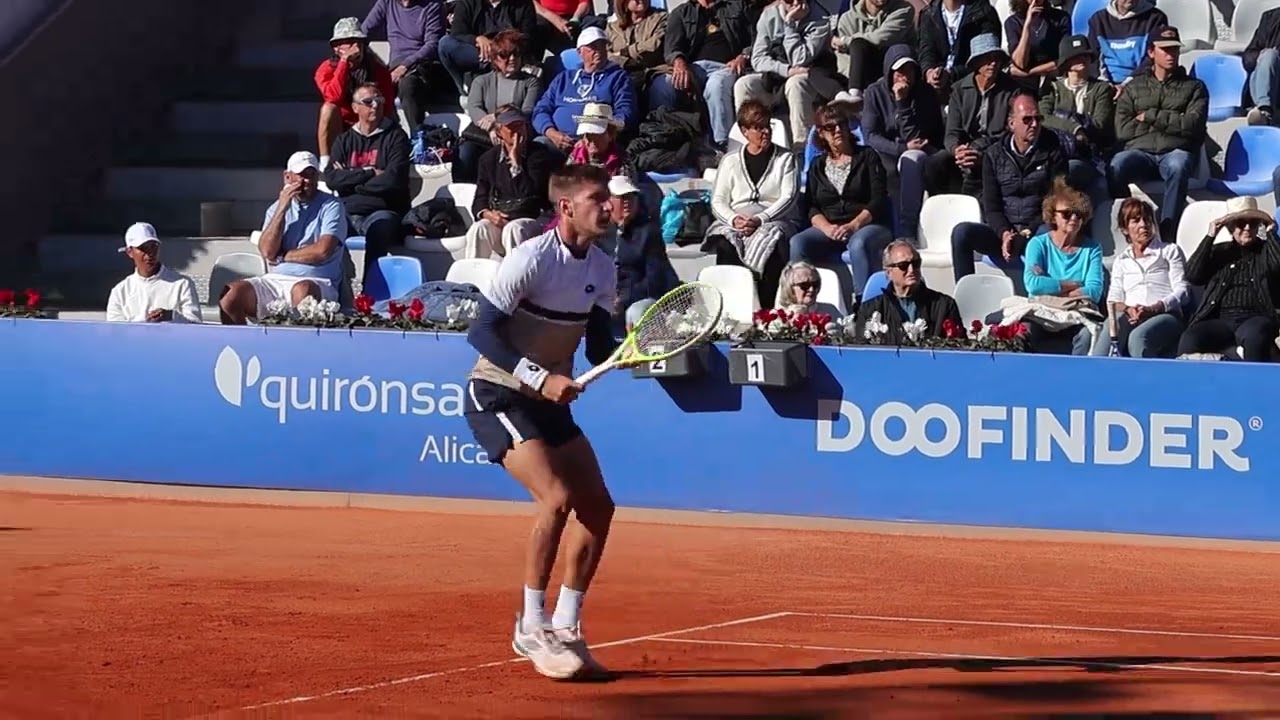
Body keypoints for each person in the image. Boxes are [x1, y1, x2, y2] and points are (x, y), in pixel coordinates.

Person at [463, 164, 621, 681]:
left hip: (549, 402)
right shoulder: (530, 258)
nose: (609, 206)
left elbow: (598, 344)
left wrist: (632, 353)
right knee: (556, 499)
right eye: (597, 198)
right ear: (566, 207)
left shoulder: (603, 267)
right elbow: (481, 333)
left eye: (609, 197)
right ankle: (531, 625)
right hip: (497, 394)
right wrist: (540, 377)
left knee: (597, 506)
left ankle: (566, 626)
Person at [950, 91, 1067, 282]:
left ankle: (1046, 290)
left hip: (1036, 230)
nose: (1034, 124)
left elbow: (1055, 203)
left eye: (1037, 118)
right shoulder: (993, 155)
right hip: (1004, 232)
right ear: (1011, 123)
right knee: (962, 233)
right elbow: (992, 207)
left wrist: (1026, 232)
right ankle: (966, 293)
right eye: (1027, 119)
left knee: (1049, 234)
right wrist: (1004, 233)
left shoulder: (1054, 153)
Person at [221, 152, 348, 324]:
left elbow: (322, 251)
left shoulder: (331, 205)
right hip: (276, 279)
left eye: (311, 175)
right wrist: (282, 207)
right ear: (288, 177)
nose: (306, 181)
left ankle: (297, 341)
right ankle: (240, 340)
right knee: (231, 295)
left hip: (318, 281)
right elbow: (267, 251)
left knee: (303, 291)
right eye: (301, 175)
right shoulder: (275, 208)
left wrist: (283, 256)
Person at [789, 103, 893, 305]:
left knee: (858, 244)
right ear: (821, 133)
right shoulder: (817, 165)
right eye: (830, 127)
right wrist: (827, 228)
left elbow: (878, 199)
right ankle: (801, 304)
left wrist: (853, 225)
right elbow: (811, 206)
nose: (838, 130)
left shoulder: (867, 156)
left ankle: (864, 306)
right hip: (831, 226)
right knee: (798, 243)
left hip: (867, 224)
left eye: (842, 125)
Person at [1109, 26, 1208, 239]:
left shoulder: (1195, 87)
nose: (1171, 54)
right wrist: (1173, 122)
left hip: (1175, 151)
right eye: (1165, 49)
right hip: (1140, 153)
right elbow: (1123, 129)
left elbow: (1192, 125)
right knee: (1117, 165)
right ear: (1151, 52)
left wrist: (1150, 116)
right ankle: (1128, 224)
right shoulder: (1134, 87)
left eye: (1175, 49)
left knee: (1179, 165)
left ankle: (1168, 233)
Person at [704, 100, 800, 308]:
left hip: (774, 219)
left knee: (772, 242)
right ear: (745, 131)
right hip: (737, 220)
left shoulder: (786, 158)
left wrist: (760, 219)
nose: (765, 132)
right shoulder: (730, 161)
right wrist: (734, 219)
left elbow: (788, 197)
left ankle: (767, 310)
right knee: (726, 243)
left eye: (767, 126)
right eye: (758, 127)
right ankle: (730, 308)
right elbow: (718, 200)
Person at [323, 82, 412, 285]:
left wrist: (351, 182)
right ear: (355, 107)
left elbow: (393, 180)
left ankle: (370, 289)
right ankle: (336, 285)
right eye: (368, 101)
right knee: (325, 229)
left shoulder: (396, 137)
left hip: (383, 210)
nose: (375, 105)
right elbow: (331, 179)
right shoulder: (344, 140)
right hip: (348, 212)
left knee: (379, 229)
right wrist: (370, 172)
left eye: (379, 100)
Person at [1177, 196, 1280, 362]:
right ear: (1231, 227)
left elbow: (1278, 267)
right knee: (1190, 338)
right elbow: (1192, 275)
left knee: (1256, 337)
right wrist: (1210, 237)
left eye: (1253, 223)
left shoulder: (1265, 251)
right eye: (1241, 223)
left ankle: (1253, 379)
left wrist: (1271, 233)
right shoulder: (1219, 252)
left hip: (1256, 316)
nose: (1247, 228)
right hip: (1221, 319)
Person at [647, 0, 755, 153]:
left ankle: (723, 147)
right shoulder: (681, 12)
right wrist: (679, 62)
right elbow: (671, 48)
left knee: (716, 86)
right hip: (692, 67)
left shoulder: (737, 6)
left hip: (726, 66)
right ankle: (662, 141)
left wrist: (743, 56)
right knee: (662, 85)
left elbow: (754, 38)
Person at [861, 44, 944, 239]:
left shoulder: (926, 93)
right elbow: (871, 135)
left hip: (920, 150)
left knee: (911, 159)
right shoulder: (874, 92)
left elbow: (915, 137)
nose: (905, 77)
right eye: (899, 72)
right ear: (890, 72)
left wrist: (903, 103)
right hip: (887, 150)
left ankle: (908, 229)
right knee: (888, 168)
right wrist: (900, 148)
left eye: (909, 71)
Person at [734, 0, 842, 147]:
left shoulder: (820, 19)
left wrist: (790, 23)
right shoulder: (769, 16)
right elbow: (758, 59)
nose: (795, 3)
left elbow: (799, 59)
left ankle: (802, 147)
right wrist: (787, 70)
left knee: (795, 83)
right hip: (777, 77)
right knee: (744, 84)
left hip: (810, 78)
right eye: (789, 0)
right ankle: (749, 144)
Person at [1020, 178, 1106, 355]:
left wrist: (1050, 288)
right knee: (1023, 331)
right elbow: (1033, 284)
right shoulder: (1038, 244)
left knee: (1087, 334)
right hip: (1042, 312)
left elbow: (1095, 291)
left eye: (1078, 214)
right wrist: (1074, 284)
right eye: (1067, 214)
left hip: (1076, 313)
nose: (1074, 218)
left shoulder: (1092, 249)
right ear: (1053, 216)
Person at [928, 33, 1019, 197]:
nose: (993, 63)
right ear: (976, 63)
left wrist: (979, 149)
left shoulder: (1012, 90)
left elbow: (1010, 132)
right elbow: (952, 133)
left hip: (996, 148)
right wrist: (957, 150)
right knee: (936, 162)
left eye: (996, 58)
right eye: (987, 58)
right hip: (965, 148)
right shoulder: (959, 90)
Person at [468, 107, 557, 258]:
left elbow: (530, 195)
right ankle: (472, 271)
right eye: (511, 127)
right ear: (499, 133)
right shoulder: (488, 159)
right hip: (502, 217)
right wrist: (488, 214)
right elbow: (480, 198)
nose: (517, 131)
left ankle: (516, 271)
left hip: (532, 217)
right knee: (479, 228)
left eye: (520, 125)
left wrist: (516, 163)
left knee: (514, 229)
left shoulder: (539, 155)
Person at [533, 27, 636, 157]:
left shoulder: (618, 77)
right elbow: (540, 110)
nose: (598, 50)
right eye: (592, 47)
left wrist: (593, 137)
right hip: (558, 142)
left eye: (602, 45)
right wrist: (552, 133)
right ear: (579, 52)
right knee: (537, 148)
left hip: (596, 144)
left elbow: (625, 113)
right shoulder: (564, 78)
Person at [1105, 197, 1188, 358]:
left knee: (1138, 337)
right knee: (1110, 327)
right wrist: (1129, 309)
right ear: (1124, 229)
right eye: (1136, 221)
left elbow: (1182, 291)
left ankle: (1144, 375)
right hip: (1131, 315)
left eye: (1147, 219)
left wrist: (1154, 308)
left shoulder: (1169, 251)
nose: (1143, 225)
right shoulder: (1121, 260)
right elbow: (1113, 299)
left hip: (1165, 316)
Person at [456, 29, 541, 183]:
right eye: (505, 55)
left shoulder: (530, 82)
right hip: (487, 136)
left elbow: (527, 110)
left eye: (516, 54)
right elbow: (474, 107)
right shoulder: (481, 81)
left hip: (516, 136)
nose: (512, 59)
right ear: (494, 59)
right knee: (466, 152)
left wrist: (497, 118)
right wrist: (491, 127)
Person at [1040, 34, 1114, 208]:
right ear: (1066, 62)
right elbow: (1043, 117)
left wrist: (1063, 119)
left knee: (1069, 170)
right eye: (1076, 56)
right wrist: (1075, 128)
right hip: (1054, 152)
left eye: (1085, 55)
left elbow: (1100, 124)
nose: (1083, 59)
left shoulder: (1101, 89)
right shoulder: (1053, 88)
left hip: (1087, 157)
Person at [315, 18, 397, 170]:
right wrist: (344, 63)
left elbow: (386, 106)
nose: (354, 47)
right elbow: (334, 97)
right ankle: (326, 163)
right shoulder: (326, 69)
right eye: (347, 42)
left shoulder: (378, 70)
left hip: (371, 123)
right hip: (343, 127)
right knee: (328, 109)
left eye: (357, 41)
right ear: (336, 48)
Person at [360, 0, 448, 129]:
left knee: (407, 86)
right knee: (369, 90)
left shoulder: (432, 5)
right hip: (396, 65)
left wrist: (405, 66)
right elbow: (364, 32)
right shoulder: (386, 2)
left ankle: (417, 135)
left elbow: (432, 45)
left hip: (423, 64)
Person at [608, 175, 679, 330]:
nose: (627, 201)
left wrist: (622, 299)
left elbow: (655, 279)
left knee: (637, 312)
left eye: (631, 196)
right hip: (605, 296)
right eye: (621, 197)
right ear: (608, 202)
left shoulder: (648, 233)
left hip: (639, 296)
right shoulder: (599, 232)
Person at [856, 239, 962, 342]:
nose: (911, 270)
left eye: (915, 263)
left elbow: (958, 347)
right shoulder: (869, 310)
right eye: (903, 265)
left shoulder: (945, 306)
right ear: (888, 272)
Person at [106, 222, 202, 324]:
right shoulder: (119, 292)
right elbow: (116, 330)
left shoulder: (183, 284)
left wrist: (171, 316)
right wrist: (145, 321)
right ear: (130, 252)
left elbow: (196, 326)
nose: (150, 253)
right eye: (143, 248)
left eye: (153, 246)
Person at [832, 0, 916, 93]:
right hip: (856, 76)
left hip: (890, 71)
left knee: (858, 44)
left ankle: (856, 93)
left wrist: (845, 41)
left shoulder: (903, 9)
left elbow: (881, 38)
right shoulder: (847, 19)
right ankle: (854, 94)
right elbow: (843, 57)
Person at [1085, 0, 1167, 89]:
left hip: (1142, 83)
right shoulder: (1098, 20)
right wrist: (1106, 85)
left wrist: (1127, 84)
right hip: (1105, 84)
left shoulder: (1155, 17)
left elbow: (1154, 57)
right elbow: (1093, 58)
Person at [1005, 0, 1070, 94]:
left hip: (1053, 80)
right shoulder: (1013, 22)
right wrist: (1027, 25)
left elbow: (1064, 59)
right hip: (1023, 85)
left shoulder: (1061, 17)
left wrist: (1030, 72)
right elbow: (1020, 63)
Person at [1243, 5, 1280, 126]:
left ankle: (1264, 113)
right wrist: (1261, 56)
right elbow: (1248, 59)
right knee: (1269, 55)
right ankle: (1264, 110)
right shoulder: (1270, 18)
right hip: (1269, 82)